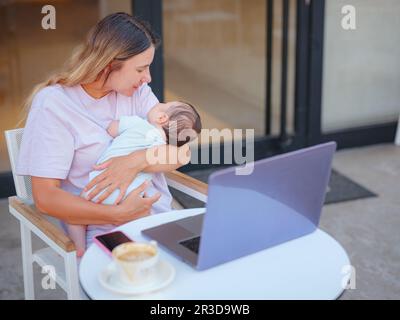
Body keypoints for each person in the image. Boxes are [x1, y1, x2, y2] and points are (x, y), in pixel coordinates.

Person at [16, 12, 192, 253]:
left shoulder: (138, 93)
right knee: (139, 282)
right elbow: (46, 198)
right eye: (141, 69)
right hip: (105, 230)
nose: (147, 78)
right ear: (110, 64)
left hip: (159, 221)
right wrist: (117, 214)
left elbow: (182, 154)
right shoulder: (55, 105)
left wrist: (134, 161)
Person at [68, 101, 202, 256]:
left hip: (97, 189)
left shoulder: (137, 123)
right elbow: (182, 153)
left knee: (76, 219)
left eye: (162, 104)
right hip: (130, 199)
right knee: (139, 222)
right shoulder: (164, 147)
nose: (157, 103)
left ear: (162, 117)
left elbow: (111, 129)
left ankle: (80, 248)